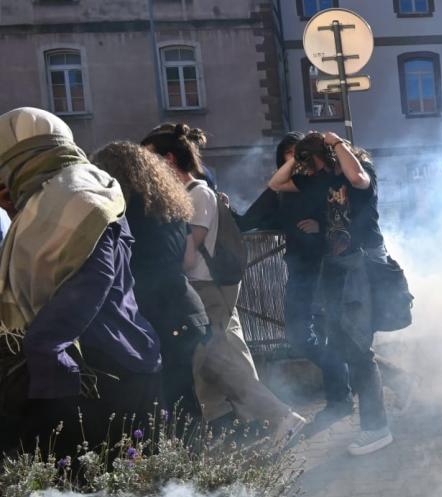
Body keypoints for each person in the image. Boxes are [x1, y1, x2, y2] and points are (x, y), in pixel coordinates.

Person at [0, 108, 161, 456]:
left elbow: (93, 279)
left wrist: (45, 347)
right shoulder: (51, 198)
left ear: (22, 159)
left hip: (98, 368)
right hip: (94, 361)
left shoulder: (78, 197)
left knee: (95, 479)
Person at [141, 123, 306, 441]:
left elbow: (188, 257)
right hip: (203, 287)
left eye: (150, 159)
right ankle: (250, 424)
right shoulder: (190, 194)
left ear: (169, 159)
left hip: (206, 287)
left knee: (214, 361)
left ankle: (275, 418)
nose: (146, 167)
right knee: (222, 357)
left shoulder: (198, 194)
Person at [268, 131, 393, 456]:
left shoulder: (359, 171)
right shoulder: (319, 179)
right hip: (337, 267)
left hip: (362, 265)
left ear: (329, 157)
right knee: (342, 341)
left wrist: (336, 143)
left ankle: (376, 428)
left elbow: (358, 178)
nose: (309, 172)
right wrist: (299, 156)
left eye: (313, 163)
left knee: (358, 347)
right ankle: (397, 389)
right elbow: (276, 184)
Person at [91, 141, 209, 418]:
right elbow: (188, 260)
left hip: (153, 312)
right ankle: (191, 445)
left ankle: (179, 446)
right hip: (186, 307)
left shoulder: (120, 211)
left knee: (161, 396)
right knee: (182, 391)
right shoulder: (170, 206)